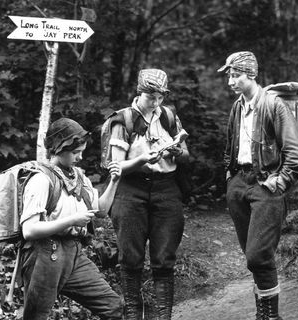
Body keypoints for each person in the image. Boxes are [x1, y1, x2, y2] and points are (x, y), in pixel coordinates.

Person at [219, 51, 298, 320]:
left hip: (265, 185)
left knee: (258, 256)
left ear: (251, 75)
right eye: (229, 76)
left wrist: (278, 183)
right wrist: (230, 180)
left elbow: (296, 155)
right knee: (252, 257)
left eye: (235, 75)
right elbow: (230, 147)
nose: (230, 81)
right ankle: (264, 316)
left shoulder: (273, 105)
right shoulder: (237, 106)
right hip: (238, 186)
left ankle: (270, 317)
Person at [19, 117, 124, 320]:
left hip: (74, 253)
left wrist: (114, 181)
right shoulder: (41, 179)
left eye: (81, 151)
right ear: (59, 149)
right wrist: (72, 220)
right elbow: (29, 230)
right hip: (45, 255)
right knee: (36, 317)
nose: (80, 157)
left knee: (113, 307)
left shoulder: (78, 177)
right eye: (75, 152)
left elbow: (100, 210)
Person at [108, 68, 189, 320]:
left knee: (164, 258)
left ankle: (164, 316)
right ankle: (134, 314)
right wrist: (142, 159)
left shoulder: (168, 116)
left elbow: (186, 153)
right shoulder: (123, 121)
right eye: (150, 97)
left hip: (166, 189)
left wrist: (177, 152)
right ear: (139, 92)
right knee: (130, 257)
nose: (155, 103)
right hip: (131, 191)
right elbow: (116, 166)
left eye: (160, 97)